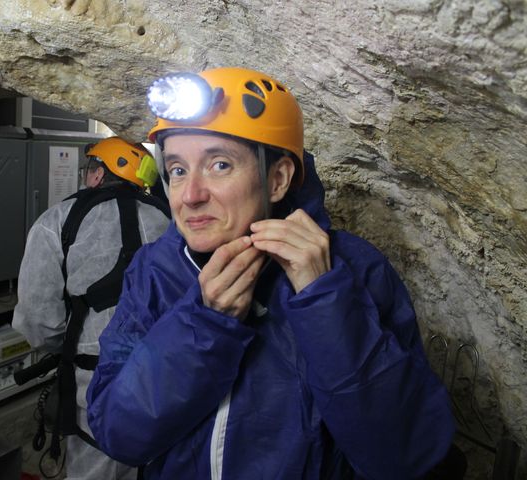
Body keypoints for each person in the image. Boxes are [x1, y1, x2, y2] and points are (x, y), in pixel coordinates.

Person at [86, 67, 456, 479]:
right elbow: (119, 435)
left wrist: (324, 300)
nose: (190, 196)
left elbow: (405, 457)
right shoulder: (155, 270)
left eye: (220, 165)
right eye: (177, 170)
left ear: (277, 179)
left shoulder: (355, 270)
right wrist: (202, 326)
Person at [12, 136, 171, 480]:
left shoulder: (57, 221)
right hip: (165, 372)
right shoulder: (168, 219)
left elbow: (38, 320)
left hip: (93, 379)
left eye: (89, 169)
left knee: (97, 467)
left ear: (99, 174)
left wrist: (68, 349)